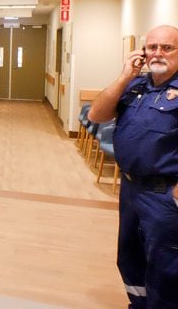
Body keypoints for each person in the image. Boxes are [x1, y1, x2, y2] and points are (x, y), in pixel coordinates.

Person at [88, 25, 178, 309]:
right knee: (130, 256)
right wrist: (125, 75)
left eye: (166, 47)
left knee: (166, 265)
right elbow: (97, 114)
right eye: (151, 47)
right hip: (131, 190)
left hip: (164, 195)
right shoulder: (134, 85)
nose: (157, 53)